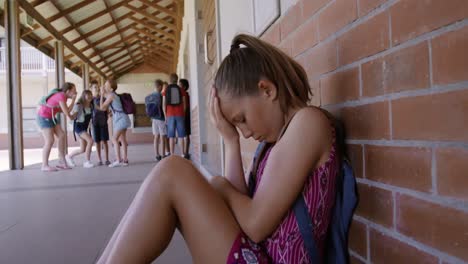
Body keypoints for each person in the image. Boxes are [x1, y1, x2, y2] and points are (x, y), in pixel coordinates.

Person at [97, 34, 339, 264]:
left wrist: (222, 186)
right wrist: (231, 142)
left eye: (241, 118)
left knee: (172, 171)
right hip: (260, 255)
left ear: (267, 90)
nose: (244, 132)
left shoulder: (308, 123)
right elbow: (241, 216)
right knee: (170, 171)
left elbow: (255, 224)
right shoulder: (276, 142)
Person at [36, 82, 78, 172]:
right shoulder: (61, 96)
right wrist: (71, 117)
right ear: (68, 91)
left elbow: (66, 110)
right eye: (74, 91)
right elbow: (67, 113)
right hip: (43, 117)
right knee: (50, 140)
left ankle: (62, 162)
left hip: (51, 117)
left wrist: (73, 101)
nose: (76, 93)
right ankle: (44, 165)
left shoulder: (64, 97)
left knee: (62, 135)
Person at [98, 78, 131, 168]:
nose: (104, 86)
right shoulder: (113, 95)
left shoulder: (111, 96)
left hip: (120, 119)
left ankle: (118, 159)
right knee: (122, 139)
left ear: (111, 89)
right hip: (123, 118)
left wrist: (101, 95)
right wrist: (103, 94)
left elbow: (102, 107)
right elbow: (105, 107)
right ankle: (125, 159)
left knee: (114, 139)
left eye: (106, 85)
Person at [65, 90, 95, 168]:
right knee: (90, 141)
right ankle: (87, 162)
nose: (90, 96)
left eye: (91, 95)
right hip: (78, 127)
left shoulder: (91, 106)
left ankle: (69, 156)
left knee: (82, 149)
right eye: (87, 95)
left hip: (84, 127)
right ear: (83, 96)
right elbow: (72, 117)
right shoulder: (78, 105)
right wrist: (68, 114)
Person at [162, 73, 187, 156]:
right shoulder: (181, 89)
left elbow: (164, 104)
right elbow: (184, 103)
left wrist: (165, 116)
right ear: (177, 79)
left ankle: (172, 154)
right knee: (181, 135)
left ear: (170, 80)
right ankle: (182, 154)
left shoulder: (166, 89)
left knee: (171, 136)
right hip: (180, 114)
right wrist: (183, 113)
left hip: (170, 114)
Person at [145, 79, 167, 161]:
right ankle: (163, 154)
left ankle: (157, 155)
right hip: (161, 118)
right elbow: (163, 107)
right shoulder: (160, 96)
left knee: (156, 136)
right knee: (162, 136)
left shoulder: (149, 97)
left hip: (153, 118)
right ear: (160, 86)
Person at [91, 80, 111, 166]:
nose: (97, 88)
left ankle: (107, 159)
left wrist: (109, 113)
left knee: (105, 141)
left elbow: (105, 109)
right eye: (95, 87)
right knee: (97, 142)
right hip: (95, 123)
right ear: (91, 88)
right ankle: (99, 160)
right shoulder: (91, 100)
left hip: (103, 122)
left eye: (98, 87)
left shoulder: (103, 98)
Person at [179, 78, 191, 159]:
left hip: (185, 115)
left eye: (180, 85)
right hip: (184, 115)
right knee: (185, 134)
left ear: (184, 86)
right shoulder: (184, 94)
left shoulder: (185, 94)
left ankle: (186, 152)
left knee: (185, 134)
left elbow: (185, 106)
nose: (179, 87)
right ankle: (185, 152)